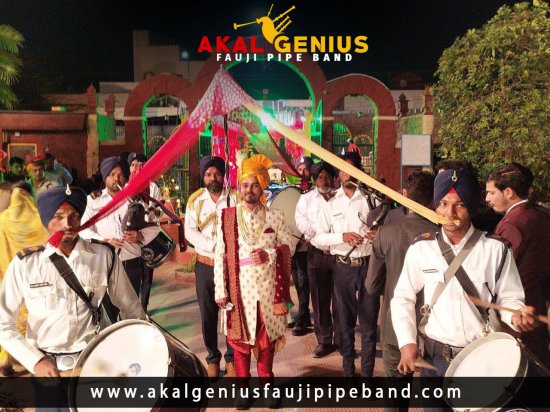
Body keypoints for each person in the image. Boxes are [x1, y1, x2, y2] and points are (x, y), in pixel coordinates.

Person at [391, 168, 539, 381]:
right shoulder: (421, 248)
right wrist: (407, 343)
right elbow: (402, 298)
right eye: (443, 204)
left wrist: (517, 315)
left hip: (481, 358)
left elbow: (509, 298)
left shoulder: (495, 249)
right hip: (434, 360)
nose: (450, 213)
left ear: (471, 207)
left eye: (459, 205)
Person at [0, 186, 145, 379]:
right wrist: (35, 361)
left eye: (74, 216)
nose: (67, 224)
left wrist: (141, 345)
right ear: (46, 221)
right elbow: (3, 323)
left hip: (94, 364)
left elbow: (131, 308)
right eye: (58, 217)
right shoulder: (27, 264)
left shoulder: (103, 256)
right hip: (47, 371)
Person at [214, 154, 296, 383]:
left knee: (266, 342)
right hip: (239, 290)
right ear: (239, 188)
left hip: (268, 291)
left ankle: (267, 385)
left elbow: (289, 246)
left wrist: (269, 254)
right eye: (245, 185)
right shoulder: (228, 217)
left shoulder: (275, 216)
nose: (249, 190)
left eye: (255, 185)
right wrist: (220, 290)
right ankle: (242, 389)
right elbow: (220, 255)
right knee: (240, 345)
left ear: (262, 187)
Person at [366, 171, 437, 401]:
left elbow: (372, 286)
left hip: (395, 329)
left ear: (404, 194)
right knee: (439, 397)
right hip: (437, 330)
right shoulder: (444, 235)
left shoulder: (386, 233)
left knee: (396, 396)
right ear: (434, 198)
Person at [314, 151, 379, 377]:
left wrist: (376, 236)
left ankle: (367, 375)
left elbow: (384, 231)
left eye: (352, 169)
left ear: (359, 171)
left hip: (368, 266)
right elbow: (319, 237)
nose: (347, 173)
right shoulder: (331, 202)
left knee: (369, 325)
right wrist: (342, 236)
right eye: (343, 169)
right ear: (338, 174)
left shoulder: (372, 199)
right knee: (344, 323)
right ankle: (348, 372)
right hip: (343, 267)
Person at [485, 162, 550, 369]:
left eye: (491, 193)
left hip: (517, 316)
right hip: (538, 308)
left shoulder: (512, 225)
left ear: (508, 192)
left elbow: (497, 273)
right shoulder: (542, 216)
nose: (487, 199)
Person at [80, 156, 159, 319]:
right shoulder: (93, 201)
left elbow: (155, 226)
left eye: (120, 175)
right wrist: (104, 241)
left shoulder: (135, 200)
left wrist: (140, 235)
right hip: (104, 264)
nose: (116, 178)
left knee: (130, 313)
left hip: (131, 264)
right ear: (105, 177)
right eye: (112, 174)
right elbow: (84, 229)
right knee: (108, 315)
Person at [184, 155, 236, 378]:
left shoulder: (234, 198)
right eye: (208, 174)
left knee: (232, 312)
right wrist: (214, 246)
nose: (213, 177)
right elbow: (189, 232)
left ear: (223, 176)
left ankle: (232, 358)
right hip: (206, 265)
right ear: (203, 177)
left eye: (217, 173)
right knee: (208, 313)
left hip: (230, 266)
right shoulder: (195, 201)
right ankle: (213, 359)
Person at [295, 161, 339, 357]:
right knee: (320, 301)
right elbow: (300, 221)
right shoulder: (306, 199)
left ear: (334, 178)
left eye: (328, 176)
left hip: (339, 255)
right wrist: (317, 233)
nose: (324, 180)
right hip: (317, 254)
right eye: (320, 177)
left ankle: (341, 340)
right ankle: (324, 341)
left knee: (340, 300)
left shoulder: (340, 198)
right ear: (314, 180)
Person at [127, 152, 162, 312]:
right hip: (130, 241)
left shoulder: (153, 188)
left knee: (147, 275)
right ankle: (132, 310)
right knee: (131, 276)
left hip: (147, 237)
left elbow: (157, 213)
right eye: (133, 165)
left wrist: (150, 210)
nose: (137, 168)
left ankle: (144, 308)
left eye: (141, 165)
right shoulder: (125, 189)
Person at [289, 156, 314, 336]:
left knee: (304, 281)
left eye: (306, 169)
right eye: (300, 169)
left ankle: (303, 316)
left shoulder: (315, 192)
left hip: (306, 244)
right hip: (293, 245)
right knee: (297, 282)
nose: (303, 172)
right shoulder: (292, 191)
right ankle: (303, 315)